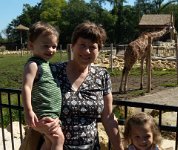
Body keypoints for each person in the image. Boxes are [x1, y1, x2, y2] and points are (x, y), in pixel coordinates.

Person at [34, 21, 124, 150]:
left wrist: (118, 147)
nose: (87, 51)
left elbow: (108, 117)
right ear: (73, 46)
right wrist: (38, 125)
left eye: (92, 47)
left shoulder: (102, 75)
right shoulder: (52, 71)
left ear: (99, 50)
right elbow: (33, 100)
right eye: (82, 45)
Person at [21, 21, 64, 150]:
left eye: (54, 46)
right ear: (31, 45)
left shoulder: (45, 64)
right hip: (43, 113)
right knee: (58, 138)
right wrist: (28, 111)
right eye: (46, 46)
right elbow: (26, 87)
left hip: (50, 114)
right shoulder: (33, 65)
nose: (51, 50)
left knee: (49, 142)